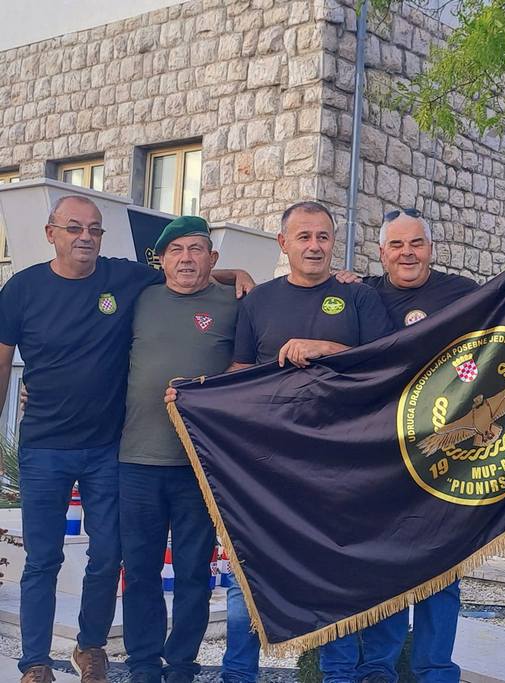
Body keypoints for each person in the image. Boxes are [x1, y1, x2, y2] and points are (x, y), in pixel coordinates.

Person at [0, 196, 251, 683]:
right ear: (51, 233)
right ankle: (40, 662)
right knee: (50, 559)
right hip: (68, 449)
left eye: (94, 229)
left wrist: (237, 274)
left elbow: (190, 276)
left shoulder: (130, 279)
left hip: (131, 452)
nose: (86, 237)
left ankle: (104, 650)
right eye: (74, 228)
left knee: (119, 558)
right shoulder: (28, 289)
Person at [213, 201, 403, 683]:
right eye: (304, 236)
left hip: (342, 463)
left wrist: (326, 349)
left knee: (338, 574)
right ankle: (238, 676)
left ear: (333, 242)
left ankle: (338, 676)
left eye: (323, 236)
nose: (314, 246)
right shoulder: (258, 301)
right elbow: (239, 374)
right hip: (268, 461)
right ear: (284, 243)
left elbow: (386, 363)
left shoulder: (358, 297)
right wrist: (194, 394)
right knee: (248, 567)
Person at [121, 217, 240, 683]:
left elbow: (248, 368)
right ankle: (144, 663)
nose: (186, 258)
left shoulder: (235, 303)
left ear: (213, 258)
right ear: (161, 260)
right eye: (176, 250)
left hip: (200, 464)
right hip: (137, 458)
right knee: (141, 570)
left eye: (196, 249)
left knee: (193, 571)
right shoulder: (141, 299)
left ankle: (182, 665)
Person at [362, 207, 476, 681]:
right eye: (397, 245)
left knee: (442, 573)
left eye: (416, 244)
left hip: (446, 453)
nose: (406, 253)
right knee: (384, 570)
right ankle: (378, 673)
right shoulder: (362, 294)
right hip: (383, 454)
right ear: (381, 252)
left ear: (431, 248)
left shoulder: (464, 293)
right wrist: (236, 274)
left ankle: (436, 673)